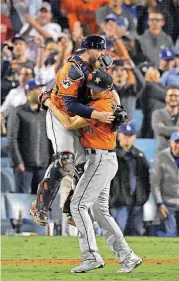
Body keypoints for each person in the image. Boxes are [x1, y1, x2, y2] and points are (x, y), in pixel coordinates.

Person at [43, 70, 142, 273]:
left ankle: (91, 256)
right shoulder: (101, 99)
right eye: (91, 87)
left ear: (105, 89)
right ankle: (128, 256)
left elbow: (69, 123)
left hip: (100, 158)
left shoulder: (103, 106)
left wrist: (50, 104)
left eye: (96, 89)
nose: (92, 91)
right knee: (100, 212)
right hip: (101, 158)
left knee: (78, 205)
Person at [30, 35, 120, 226]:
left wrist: (118, 108)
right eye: (99, 49)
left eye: (103, 50)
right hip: (60, 113)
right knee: (64, 160)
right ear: (88, 50)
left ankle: (72, 209)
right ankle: (40, 205)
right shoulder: (72, 70)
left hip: (83, 115)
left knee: (84, 167)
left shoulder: (97, 64)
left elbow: (111, 90)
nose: (102, 54)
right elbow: (70, 106)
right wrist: (97, 115)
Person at [7, 79, 51, 194]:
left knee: (40, 204)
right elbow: (12, 139)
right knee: (21, 201)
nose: (41, 91)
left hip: (42, 165)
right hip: (24, 166)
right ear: (28, 92)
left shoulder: (45, 113)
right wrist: (18, 162)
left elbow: (50, 140)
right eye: (37, 89)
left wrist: (50, 162)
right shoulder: (18, 111)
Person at [110, 123, 150, 235]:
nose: (127, 138)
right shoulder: (112, 155)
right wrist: (111, 198)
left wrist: (142, 198)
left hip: (136, 202)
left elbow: (146, 181)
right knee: (117, 234)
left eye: (130, 135)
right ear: (119, 135)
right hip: (118, 203)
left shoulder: (140, 156)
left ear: (134, 137)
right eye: (125, 135)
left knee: (136, 234)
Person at [151, 131, 179, 236]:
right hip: (167, 204)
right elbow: (155, 184)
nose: (178, 145)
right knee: (170, 234)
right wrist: (159, 203)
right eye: (176, 142)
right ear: (170, 143)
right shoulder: (161, 157)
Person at [140, 67, 166, 138]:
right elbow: (166, 95)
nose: (159, 76)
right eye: (157, 74)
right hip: (151, 123)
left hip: (152, 121)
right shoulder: (150, 87)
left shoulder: (150, 86)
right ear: (153, 75)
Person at [152, 86, 179, 152]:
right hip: (163, 154)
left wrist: (166, 128)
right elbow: (159, 130)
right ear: (166, 98)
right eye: (170, 95)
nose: (173, 98)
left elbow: (164, 130)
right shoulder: (157, 114)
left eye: (176, 95)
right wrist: (177, 129)